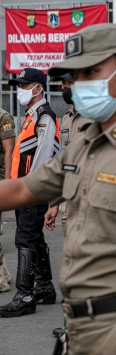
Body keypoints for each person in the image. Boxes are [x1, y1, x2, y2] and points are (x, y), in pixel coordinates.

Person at [0, 23, 116, 355]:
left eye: (90, 72)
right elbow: (24, 189)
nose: (78, 85)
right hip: (78, 328)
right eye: (74, 75)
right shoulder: (86, 142)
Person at [0, 68, 60, 317]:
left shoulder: (44, 116)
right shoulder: (31, 115)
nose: (20, 90)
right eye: (19, 85)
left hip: (32, 189)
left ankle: (25, 295)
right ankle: (45, 287)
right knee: (34, 238)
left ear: (38, 88)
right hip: (24, 188)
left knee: (24, 239)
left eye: (25, 86)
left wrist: (29, 189)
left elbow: (44, 157)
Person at [44, 73, 92, 235]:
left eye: (69, 82)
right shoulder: (67, 118)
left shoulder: (97, 117)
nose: (64, 87)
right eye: (63, 83)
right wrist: (55, 204)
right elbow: (65, 162)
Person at [0, 107, 15, 292]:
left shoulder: (3, 117)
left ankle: (1, 281)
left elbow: (9, 151)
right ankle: (4, 271)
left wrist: (8, 185)